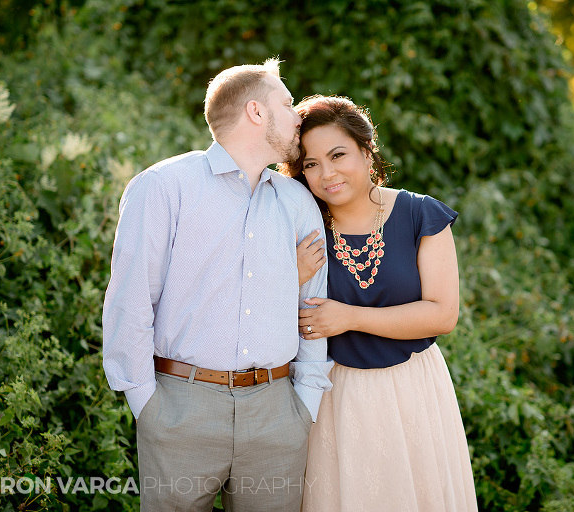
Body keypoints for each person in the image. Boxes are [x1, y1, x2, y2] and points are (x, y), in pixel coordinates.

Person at [102, 60, 333, 512]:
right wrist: (146, 405)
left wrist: (304, 405)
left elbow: (314, 308)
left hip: (276, 415)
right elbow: (131, 302)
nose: (297, 117)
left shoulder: (297, 202)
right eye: (287, 104)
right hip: (179, 411)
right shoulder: (163, 188)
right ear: (256, 112)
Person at [280, 95, 478, 511]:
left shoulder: (420, 214)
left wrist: (349, 316)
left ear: (368, 152)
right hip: (331, 395)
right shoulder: (298, 224)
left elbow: (442, 313)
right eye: (311, 164)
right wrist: (287, 277)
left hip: (410, 389)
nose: (326, 174)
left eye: (338, 155)